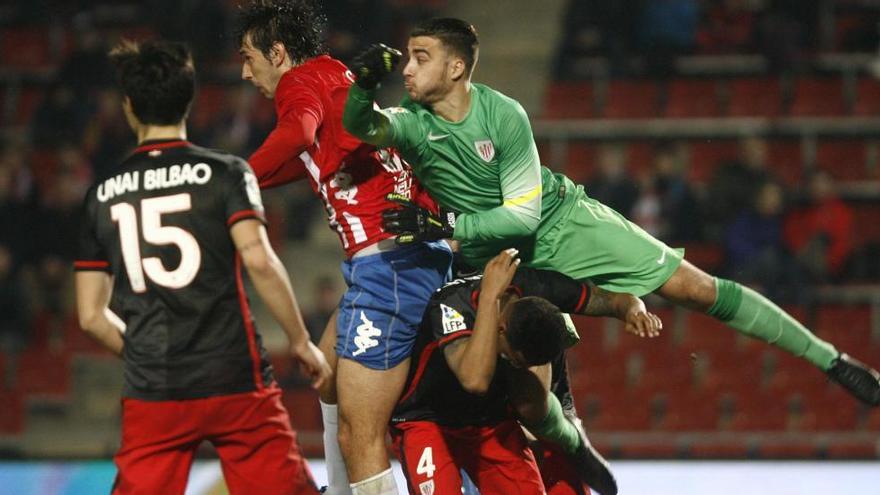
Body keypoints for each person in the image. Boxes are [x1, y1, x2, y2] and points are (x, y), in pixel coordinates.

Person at [342, 17, 880, 406]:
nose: (408, 69)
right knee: (501, 388)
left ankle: (830, 359)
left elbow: (525, 217)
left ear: (456, 67)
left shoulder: (503, 114)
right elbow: (364, 127)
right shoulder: (414, 119)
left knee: (695, 288)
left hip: (561, 222)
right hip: (490, 259)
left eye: (421, 56)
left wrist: (450, 225)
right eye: (407, 57)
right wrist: (363, 87)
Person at [73, 39, 331, 495]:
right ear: (188, 100)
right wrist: (300, 342)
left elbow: (91, 317)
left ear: (129, 106)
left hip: (156, 388)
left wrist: (146, 355)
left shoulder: (102, 193)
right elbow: (259, 260)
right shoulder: (225, 172)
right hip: (233, 376)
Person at [234, 2, 453, 493]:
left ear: (278, 52)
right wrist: (252, 182)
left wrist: (232, 182)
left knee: (362, 433)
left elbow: (298, 134)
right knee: (328, 372)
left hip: (387, 266)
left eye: (250, 57)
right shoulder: (334, 75)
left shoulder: (298, 84)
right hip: (413, 252)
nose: (246, 72)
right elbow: (315, 154)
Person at [392, 248, 661, 495]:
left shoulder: (539, 286)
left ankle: (567, 433)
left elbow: (613, 300)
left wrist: (634, 310)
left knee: (530, 413)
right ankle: (566, 435)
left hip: (490, 420)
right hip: (427, 419)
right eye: (512, 359)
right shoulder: (453, 304)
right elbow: (474, 379)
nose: (519, 367)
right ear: (502, 327)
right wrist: (489, 299)